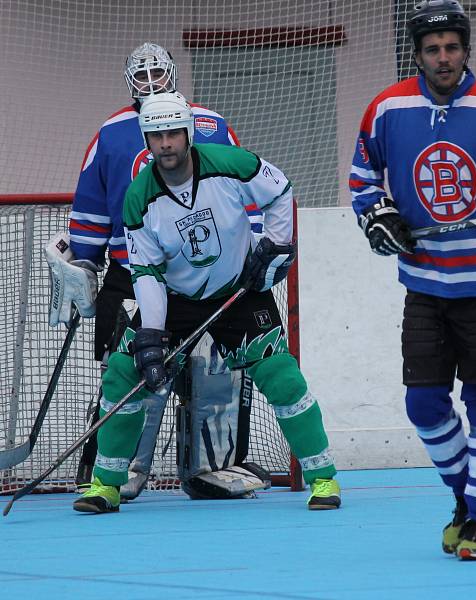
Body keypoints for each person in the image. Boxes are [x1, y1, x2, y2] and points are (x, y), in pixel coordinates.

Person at [72, 92, 341, 513]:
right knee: (124, 372)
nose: (166, 144)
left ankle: (323, 478)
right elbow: (147, 275)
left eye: (174, 133)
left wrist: (275, 247)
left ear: (189, 133)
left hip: (240, 290)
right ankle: (106, 485)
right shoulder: (138, 200)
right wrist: (151, 334)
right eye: (157, 135)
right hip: (176, 298)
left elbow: (280, 191)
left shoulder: (230, 164)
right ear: (147, 139)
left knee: (281, 376)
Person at [349, 0, 476, 560]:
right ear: (416, 53)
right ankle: (468, 498)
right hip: (425, 285)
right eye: (433, 49)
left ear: (466, 49)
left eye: (453, 47)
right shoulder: (388, 108)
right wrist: (377, 215)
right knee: (424, 404)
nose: (444, 57)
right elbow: (363, 177)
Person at [49, 42, 261, 501]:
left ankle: (211, 467)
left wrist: (255, 247)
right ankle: (106, 472)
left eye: (157, 75)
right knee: (126, 370)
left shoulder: (211, 124)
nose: (150, 85)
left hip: (206, 273)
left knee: (215, 368)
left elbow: (249, 188)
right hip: (133, 273)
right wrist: (85, 259)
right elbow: (91, 204)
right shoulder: (111, 133)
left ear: (173, 75)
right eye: (140, 78)